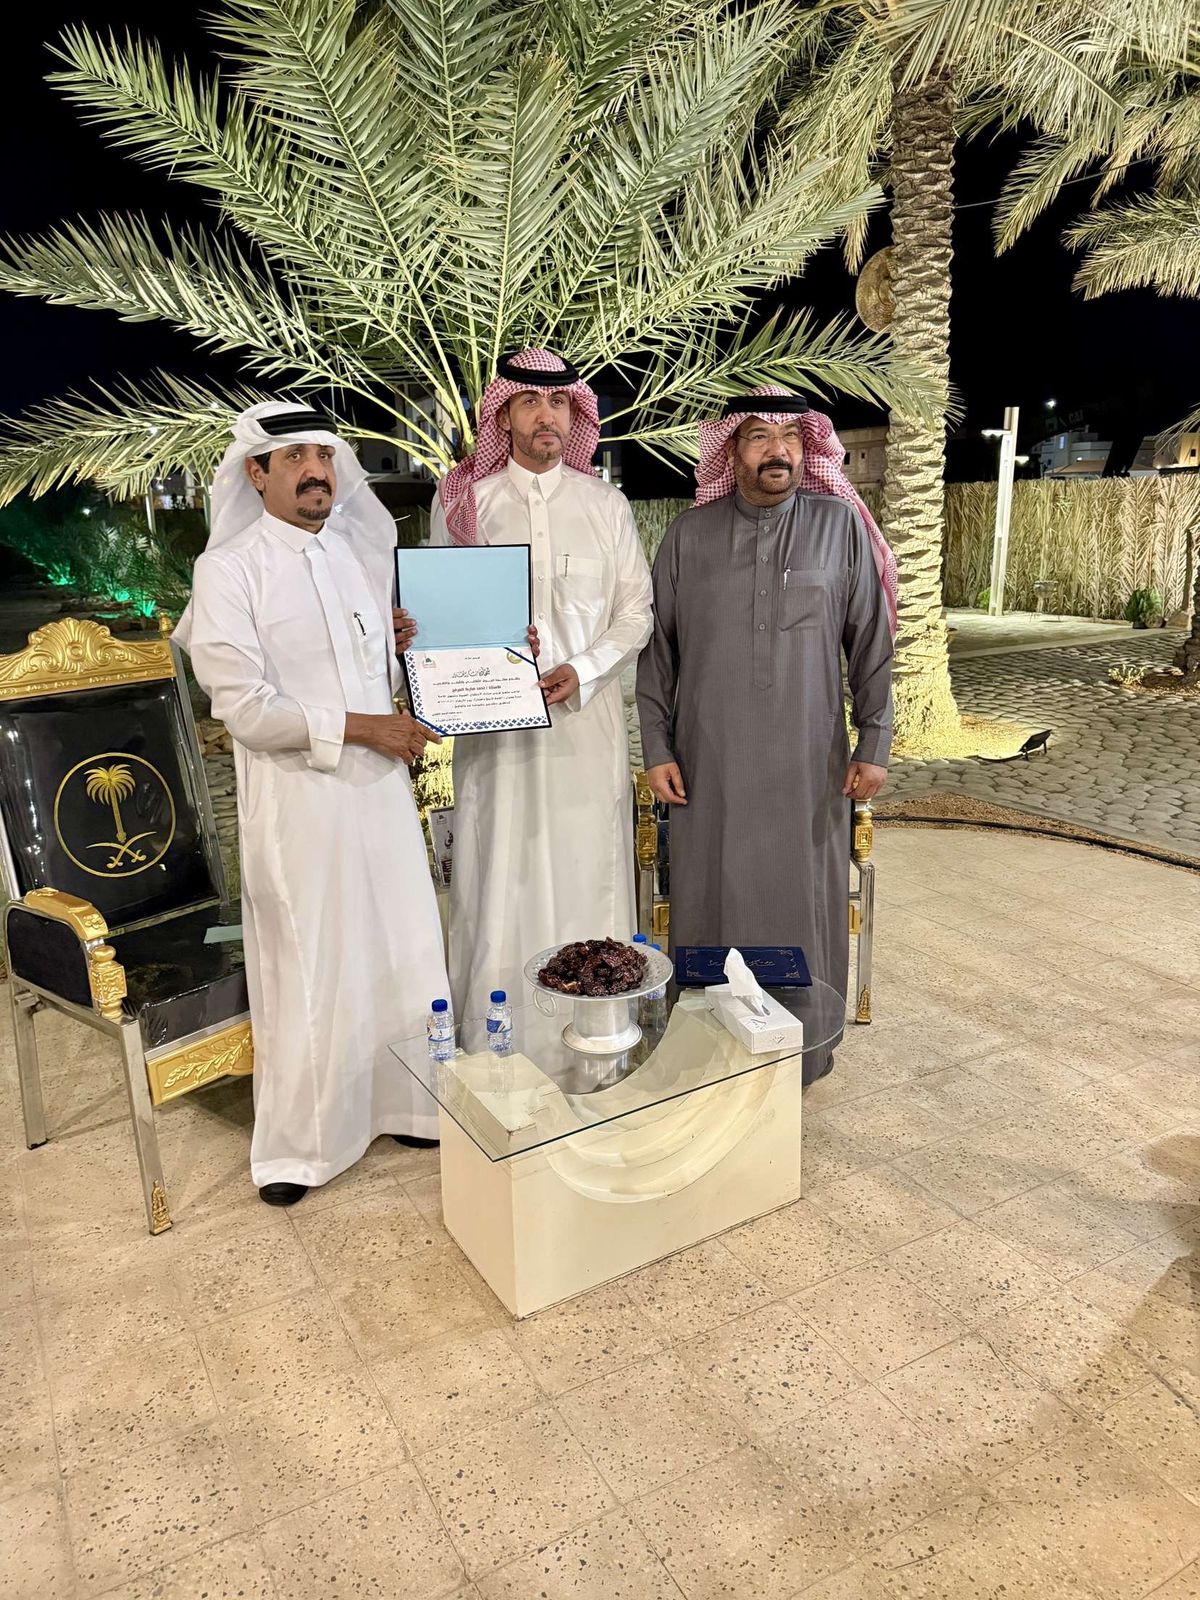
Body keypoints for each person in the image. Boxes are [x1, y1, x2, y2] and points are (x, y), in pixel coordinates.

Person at [178, 401, 448, 1205]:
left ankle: (408, 1105)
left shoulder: (354, 558)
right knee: (312, 965)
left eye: (323, 456)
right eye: (293, 457)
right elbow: (247, 711)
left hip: (378, 798)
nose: (315, 471)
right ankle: (302, 1149)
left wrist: (394, 650)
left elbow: (370, 676)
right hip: (299, 806)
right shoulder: (229, 571)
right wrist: (369, 728)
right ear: (256, 473)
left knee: (399, 947)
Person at [635, 388, 897, 1081]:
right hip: (708, 765)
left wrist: (874, 742)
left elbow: (872, 643)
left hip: (810, 766)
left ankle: (804, 1050)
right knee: (710, 898)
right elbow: (657, 652)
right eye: (758, 436)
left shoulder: (839, 526)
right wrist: (656, 748)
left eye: (790, 437)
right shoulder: (689, 535)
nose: (777, 451)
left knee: (800, 902)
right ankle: (707, 1049)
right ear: (731, 450)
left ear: (808, 449)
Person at [401, 349, 653, 1013]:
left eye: (559, 403)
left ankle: (596, 1031)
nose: (547, 416)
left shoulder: (606, 505)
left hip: (585, 730)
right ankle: (497, 1033)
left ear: (575, 415)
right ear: (504, 415)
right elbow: (443, 613)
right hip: (498, 736)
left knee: (587, 868)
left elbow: (637, 613)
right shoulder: (466, 503)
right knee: (499, 872)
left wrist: (582, 669)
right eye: (531, 402)